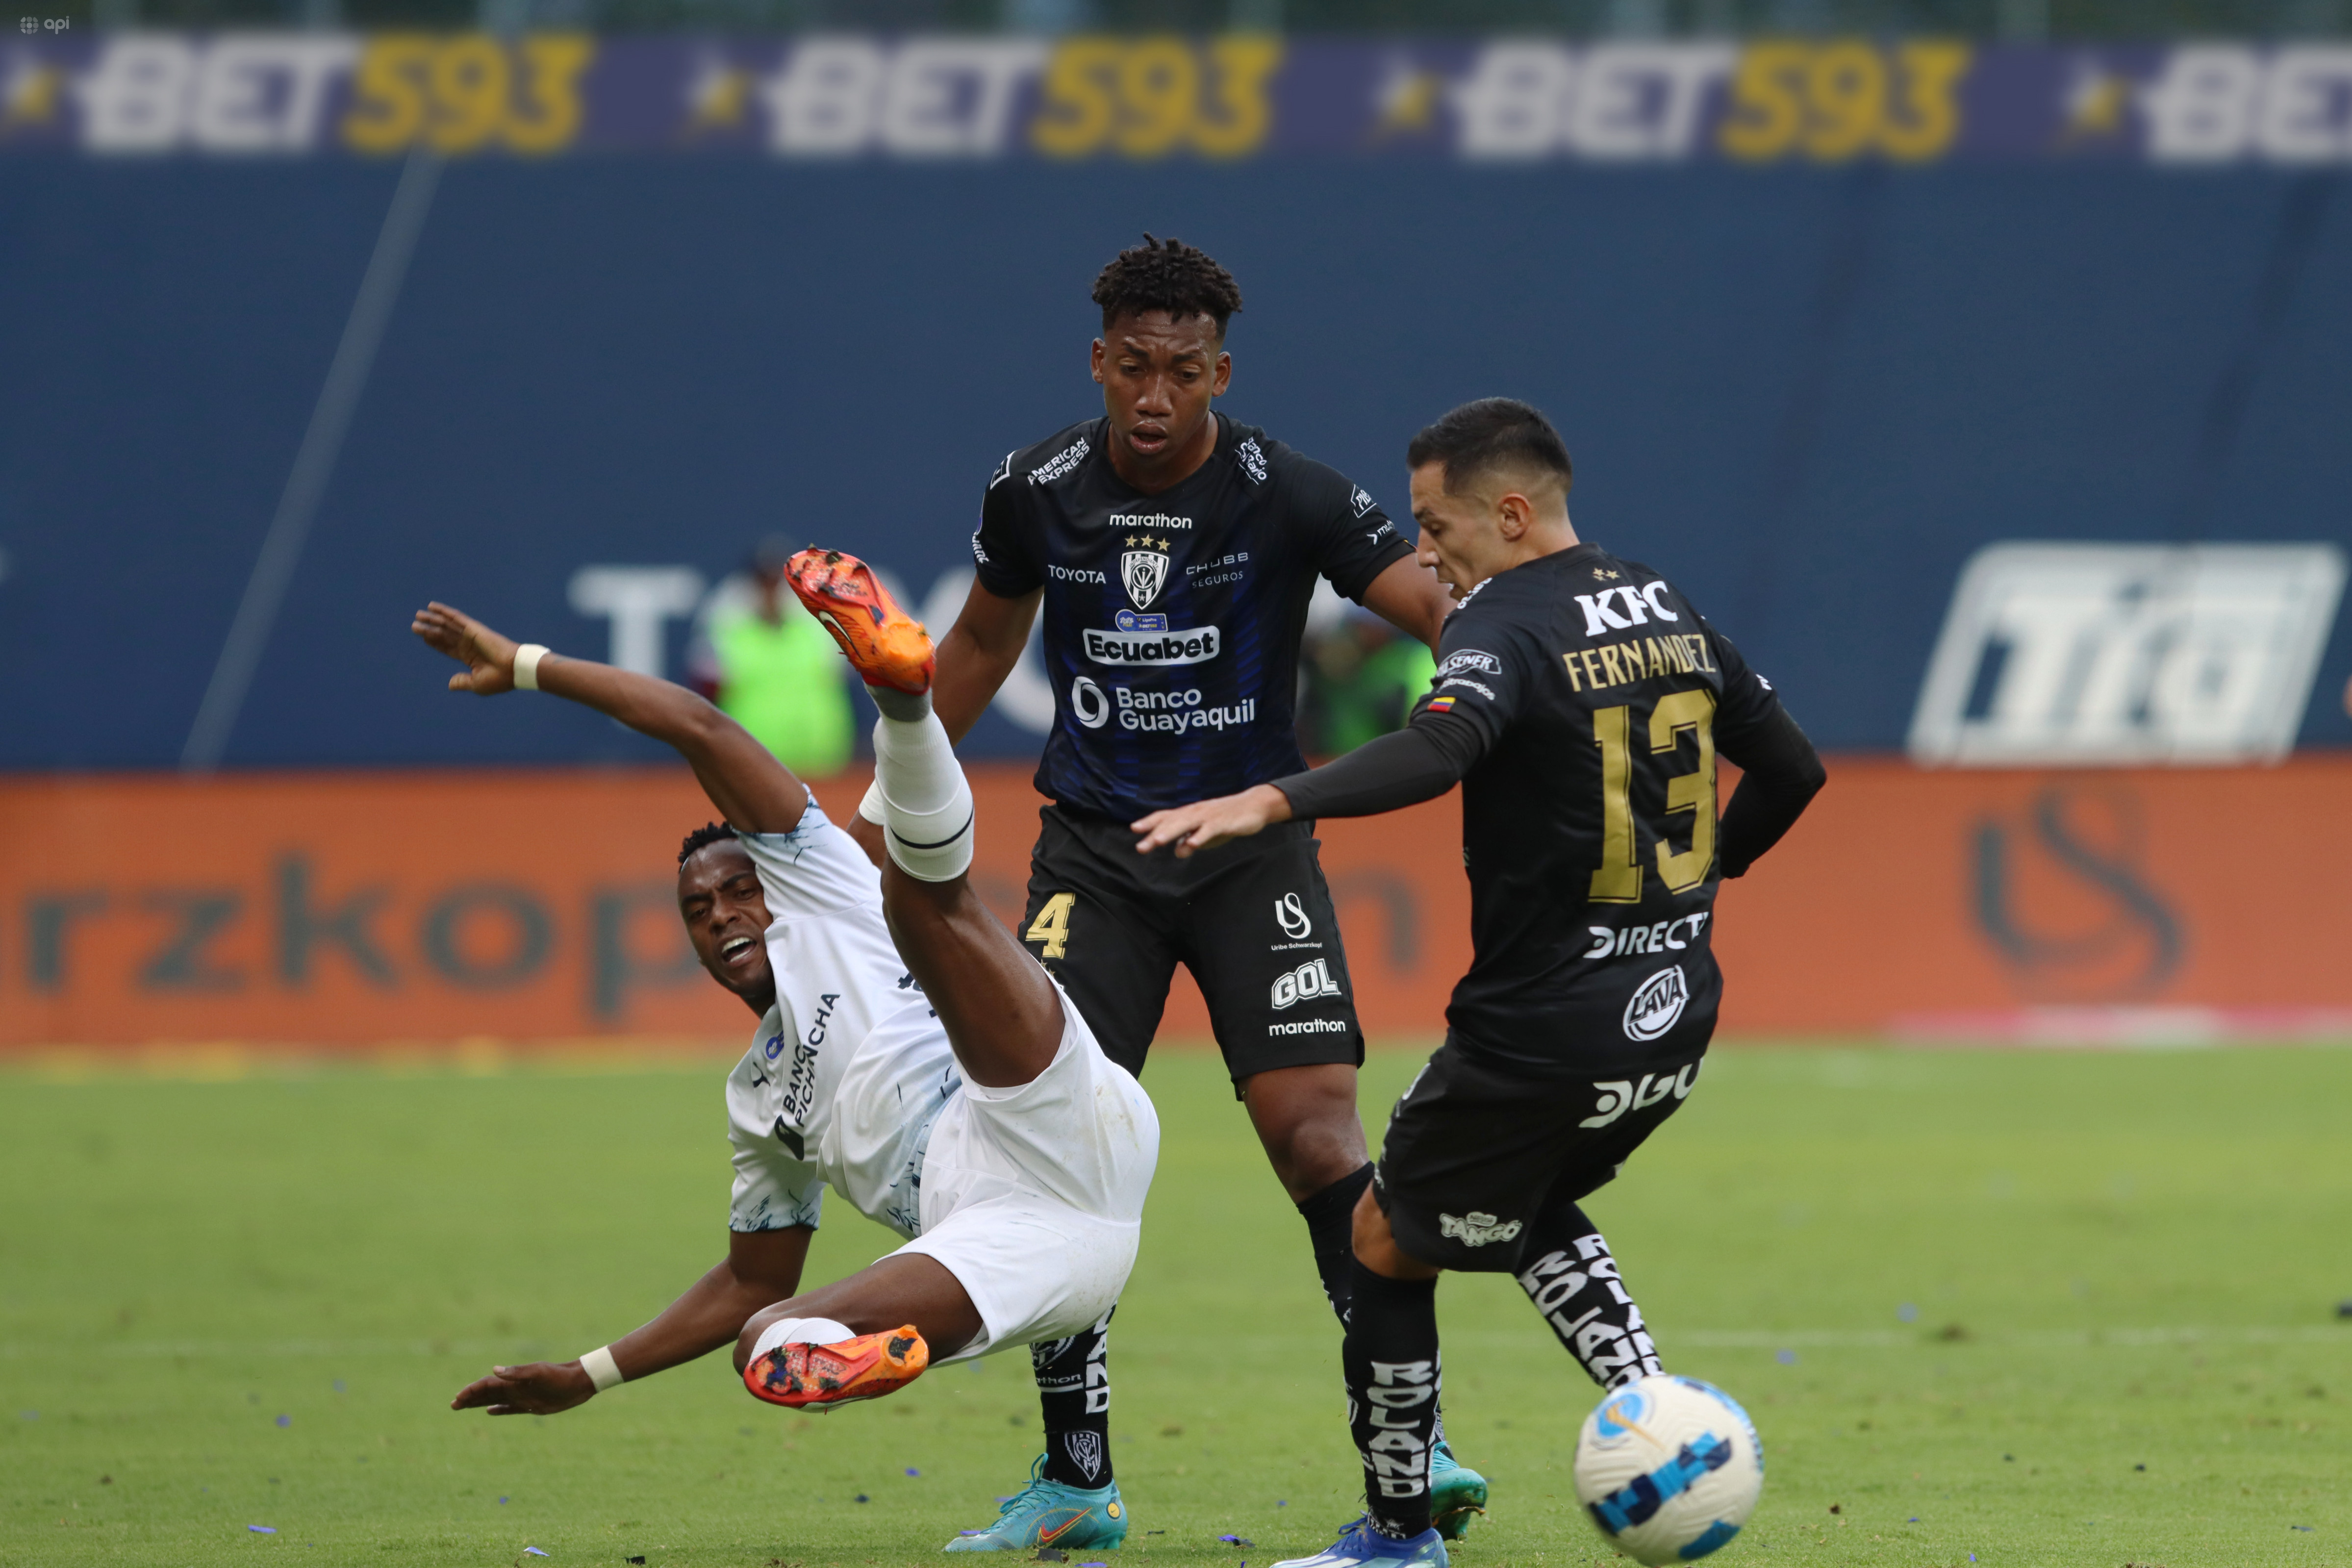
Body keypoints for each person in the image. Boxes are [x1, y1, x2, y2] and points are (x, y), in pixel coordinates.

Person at [1133, 399, 1827, 1568]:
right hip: (1669, 1011)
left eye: (1434, 523)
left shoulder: (1500, 622)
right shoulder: (1657, 595)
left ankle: (1399, 1534)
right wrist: (1701, 877)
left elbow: (1441, 745)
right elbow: (1793, 768)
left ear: (1508, 513)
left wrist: (1274, 795)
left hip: (1540, 1023)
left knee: (1385, 1231)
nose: (1423, 554)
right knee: (1516, 1191)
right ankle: (1653, 1399)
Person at [883, 233, 1485, 1548]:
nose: (1155, 397)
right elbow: (982, 643)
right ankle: (1075, 1480)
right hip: (1093, 857)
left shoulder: (1289, 493)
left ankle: (1411, 1432)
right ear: (1098, 361)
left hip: (1248, 848)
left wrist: (1475, 688)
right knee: (1050, 1161)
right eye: (1133, 368)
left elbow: (1438, 608)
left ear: (1220, 371)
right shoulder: (1032, 487)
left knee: (1318, 1138)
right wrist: (892, 803)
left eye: (1183, 371)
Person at [420, 568, 1159, 1556]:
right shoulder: (756, 1102)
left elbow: (702, 728)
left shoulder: (820, 889)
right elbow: (744, 1280)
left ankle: (902, 696)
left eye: (737, 889)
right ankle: (1008, 1443)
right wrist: (585, 1376)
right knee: (764, 1344)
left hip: (1031, 1104)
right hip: (1023, 1243)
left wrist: (527, 665)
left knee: (919, 899)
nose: (722, 913)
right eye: (696, 909)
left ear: (774, 882)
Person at [687, 535, 857, 774]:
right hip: (754, 765)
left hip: (823, 761)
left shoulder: (820, 627)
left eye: (780, 582)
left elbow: (844, 672)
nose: (772, 592)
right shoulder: (726, 630)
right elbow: (707, 687)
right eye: (764, 583)